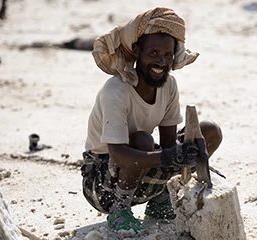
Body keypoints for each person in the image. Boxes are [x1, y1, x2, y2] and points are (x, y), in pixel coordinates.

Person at [81, 7, 222, 233]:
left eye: (167, 55)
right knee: (143, 141)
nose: (161, 62)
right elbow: (118, 153)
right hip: (102, 183)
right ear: (137, 51)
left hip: (140, 169)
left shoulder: (169, 85)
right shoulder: (116, 90)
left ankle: (160, 201)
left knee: (209, 131)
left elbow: (167, 143)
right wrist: (168, 156)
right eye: (153, 53)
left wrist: (191, 156)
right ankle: (120, 211)